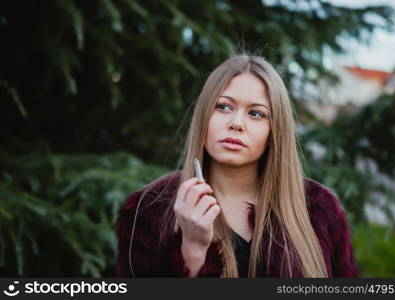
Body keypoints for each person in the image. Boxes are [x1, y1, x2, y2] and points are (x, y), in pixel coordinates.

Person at [116, 54, 359, 278]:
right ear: (204, 116)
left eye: (256, 113)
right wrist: (192, 249)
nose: (236, 123)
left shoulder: (318, 208)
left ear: (275, 130)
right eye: (223, 107)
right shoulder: (149, 209)